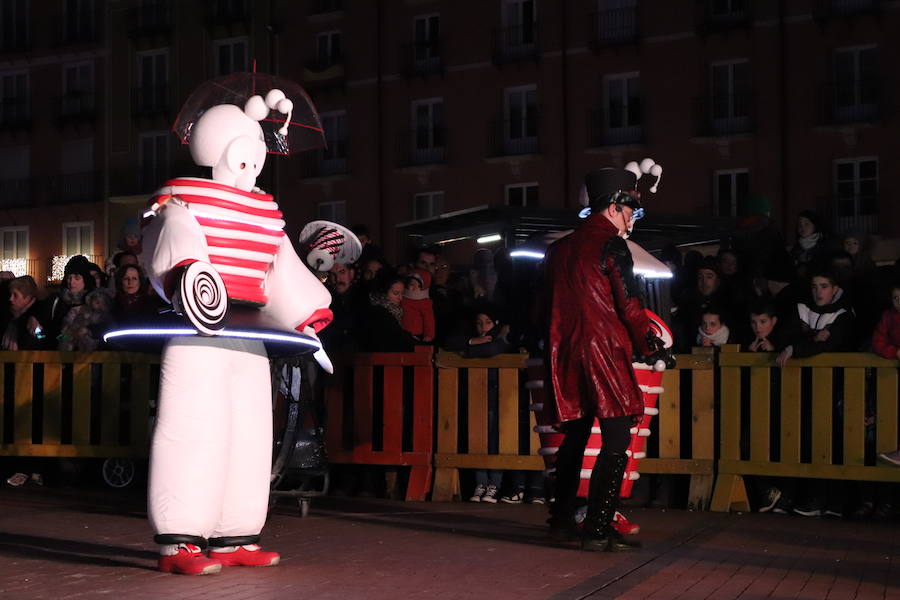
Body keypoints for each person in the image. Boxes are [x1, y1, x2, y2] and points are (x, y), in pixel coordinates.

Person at [131, 84, 335, 575]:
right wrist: (187, 273)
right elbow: (173, 237)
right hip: (200, 325)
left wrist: (307, 315)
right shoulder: (184, 201)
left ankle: (235, 534)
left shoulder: (264, 213)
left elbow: (279, 267)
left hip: (251, 327)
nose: (254, 165)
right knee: (192, 427)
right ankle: (180, 540)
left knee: (250, 431)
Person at [543, 165, 662, 552]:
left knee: (574, 437)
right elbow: (628, 305)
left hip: (564, 352)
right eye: (631, 211)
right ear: (614, 206)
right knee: (615, 438)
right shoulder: (612, 245)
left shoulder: (557, 249)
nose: (632, 220)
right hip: (603, 351)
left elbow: (540, 306)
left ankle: (561, 521)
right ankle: (597, 527)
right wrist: (652, 347)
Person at [875, 284, 900, 466]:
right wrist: (896, 352)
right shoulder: (888, 316)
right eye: (895, 298)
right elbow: (878, 340)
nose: (899, 302)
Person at [1, 276, 46, 351]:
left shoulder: (37, 317)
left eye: (15, 295)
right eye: (10, 294)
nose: (11, 299)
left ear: (27, 297)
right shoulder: (10, 316)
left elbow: (41, 338)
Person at [400, 269, 435, 343]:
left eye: (419, 286)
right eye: (412, 284)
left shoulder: (424, 303)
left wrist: (428, 335)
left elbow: (428, 320)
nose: (414, 288)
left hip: (416, 334)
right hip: (401, 332)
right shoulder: (401, 298)